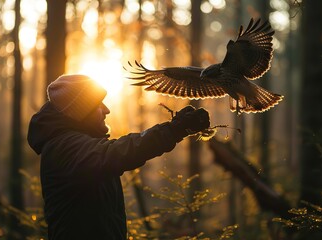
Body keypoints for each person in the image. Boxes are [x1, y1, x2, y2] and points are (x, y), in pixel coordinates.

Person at [27, 74, 210, 239]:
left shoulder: (78, 145)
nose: (106, 110)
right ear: (81, 111)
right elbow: (119, 152)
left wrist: (175, 129)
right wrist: (174, 129)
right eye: (98, 104)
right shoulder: (64, 147)